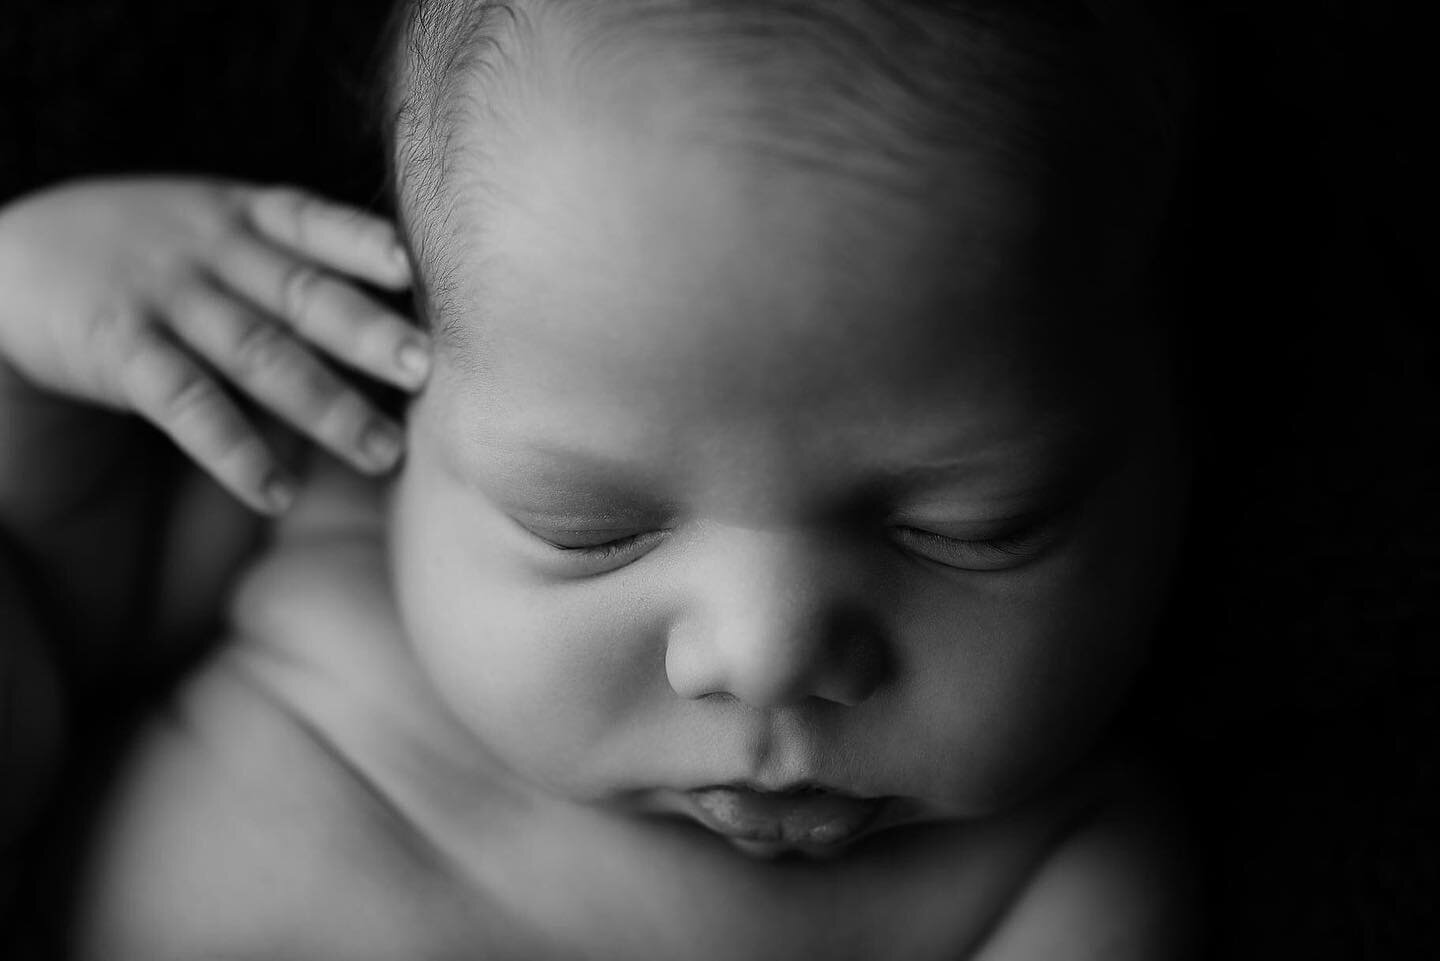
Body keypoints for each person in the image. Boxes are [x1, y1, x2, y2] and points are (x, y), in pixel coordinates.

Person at [1, 0, 1203, 957]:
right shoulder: (301, 517)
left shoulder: (1058, 876)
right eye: (588, 528)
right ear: (415, 388)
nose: (763, 653)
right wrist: (32, 298)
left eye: (969, 526)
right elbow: (34, 594)